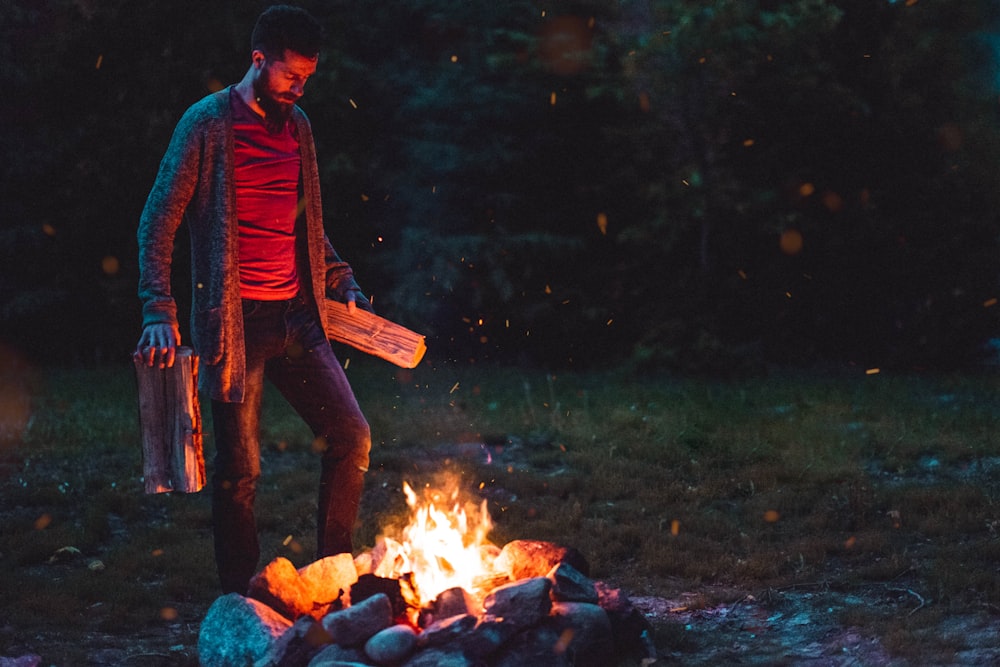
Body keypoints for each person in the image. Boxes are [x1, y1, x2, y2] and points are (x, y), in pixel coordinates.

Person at [135, 5, 372, 595]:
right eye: (291, 75)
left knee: (351, 437)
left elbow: (305, 221)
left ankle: (334, 577)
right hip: (235, 323)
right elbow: (158, 219)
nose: (299, 87)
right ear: (258, 60)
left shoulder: (299, 127)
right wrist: (158, 311)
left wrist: (339, 277)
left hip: (299, 317)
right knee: (240, 471)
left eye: (308, 79)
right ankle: (243, 600)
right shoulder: (206, 124)